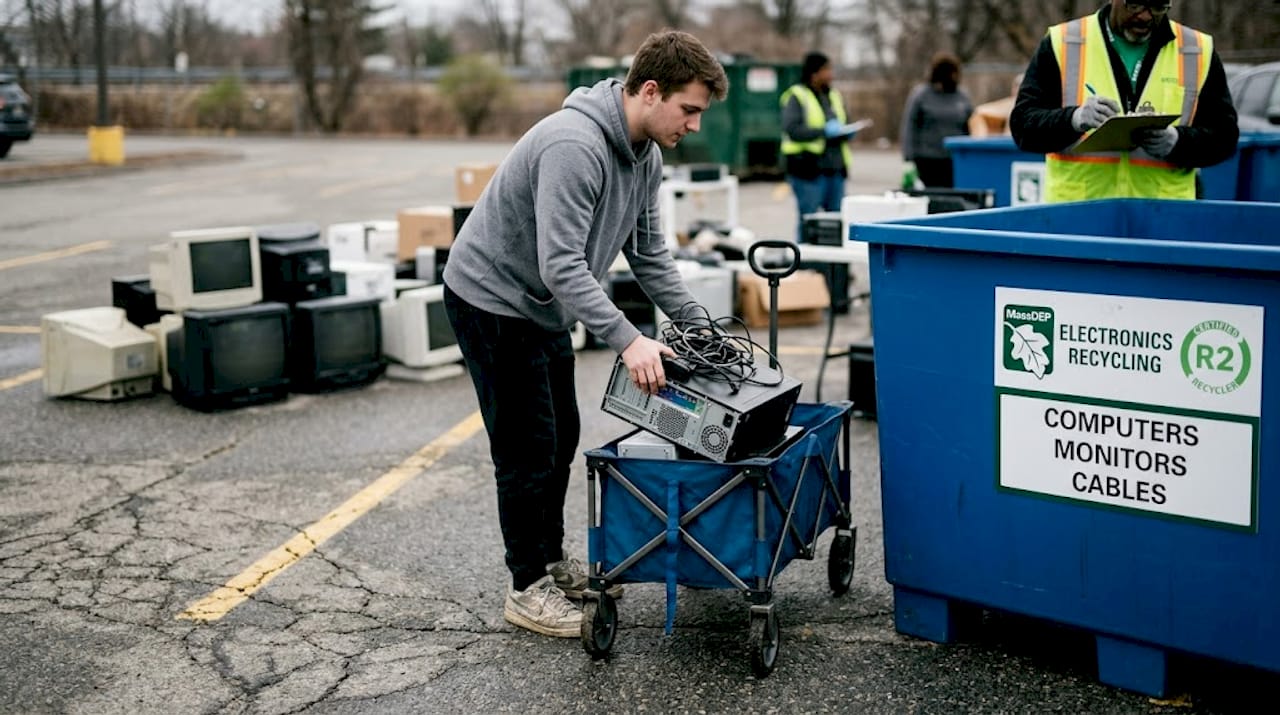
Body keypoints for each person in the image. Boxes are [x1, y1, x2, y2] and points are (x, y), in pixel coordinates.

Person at [440, 30, 728, 639]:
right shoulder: (575, 145)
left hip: (543, 307)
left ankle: (547, 559)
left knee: (562, 435)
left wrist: (702, 329)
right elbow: (562, 264)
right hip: (491, 299)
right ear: (651, 92)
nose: (694, 126)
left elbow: (650, 258)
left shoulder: (644, 156)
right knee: (526, 448)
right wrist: (630, 339)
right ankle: (526, 588)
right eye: (690, 110)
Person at [1009, 0, 1238, 202]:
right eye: (1135, 4)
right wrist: (1074, 119)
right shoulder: (1065, 42)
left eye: (1157, 6)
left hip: (1164, 221)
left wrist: (1177, 142)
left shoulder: (1196, 50)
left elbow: (1225, 137)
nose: (1146, 15)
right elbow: (1023, 126)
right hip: (1079, 220)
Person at [780, 51, 857, 242]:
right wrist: (823, 131)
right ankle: (806, 267)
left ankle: (834, 271)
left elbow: (845, 120)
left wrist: (847, 131)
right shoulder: (797, 96)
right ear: (814, 73)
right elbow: (792, 130)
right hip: (808, 171)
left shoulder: (834, 95)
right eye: (827, 70)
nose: (831, 74)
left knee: (836, 223)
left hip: (835, 169)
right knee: (809, 222)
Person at [900, 52, 973, 189]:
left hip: (955, 160)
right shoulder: (921, 95)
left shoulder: (962, 97)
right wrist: (908, 159)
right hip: (927, 161)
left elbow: (971, 126)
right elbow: (909, 127)